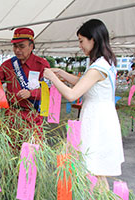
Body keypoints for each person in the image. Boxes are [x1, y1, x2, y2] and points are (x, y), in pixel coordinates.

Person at [43, 19, 124, 189]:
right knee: (96, 171)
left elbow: (72, 94)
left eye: (81, 41)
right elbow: (83, 82)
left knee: (94, 169)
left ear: (93, 39)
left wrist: (53, 78)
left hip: (97, 120)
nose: (80, 45)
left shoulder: (97, 67)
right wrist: (62, 73)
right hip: (101, 116)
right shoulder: (104, 63)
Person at [0, 28, 50, 129]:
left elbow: (48, 90)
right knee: (10, 144)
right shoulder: (8, 64)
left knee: (31, 144)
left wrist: (31, 93)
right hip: (12, 115)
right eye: (15, 46)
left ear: (31, 46)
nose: (17, 50)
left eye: (21, 46)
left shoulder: (41, 65)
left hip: (32, 115)